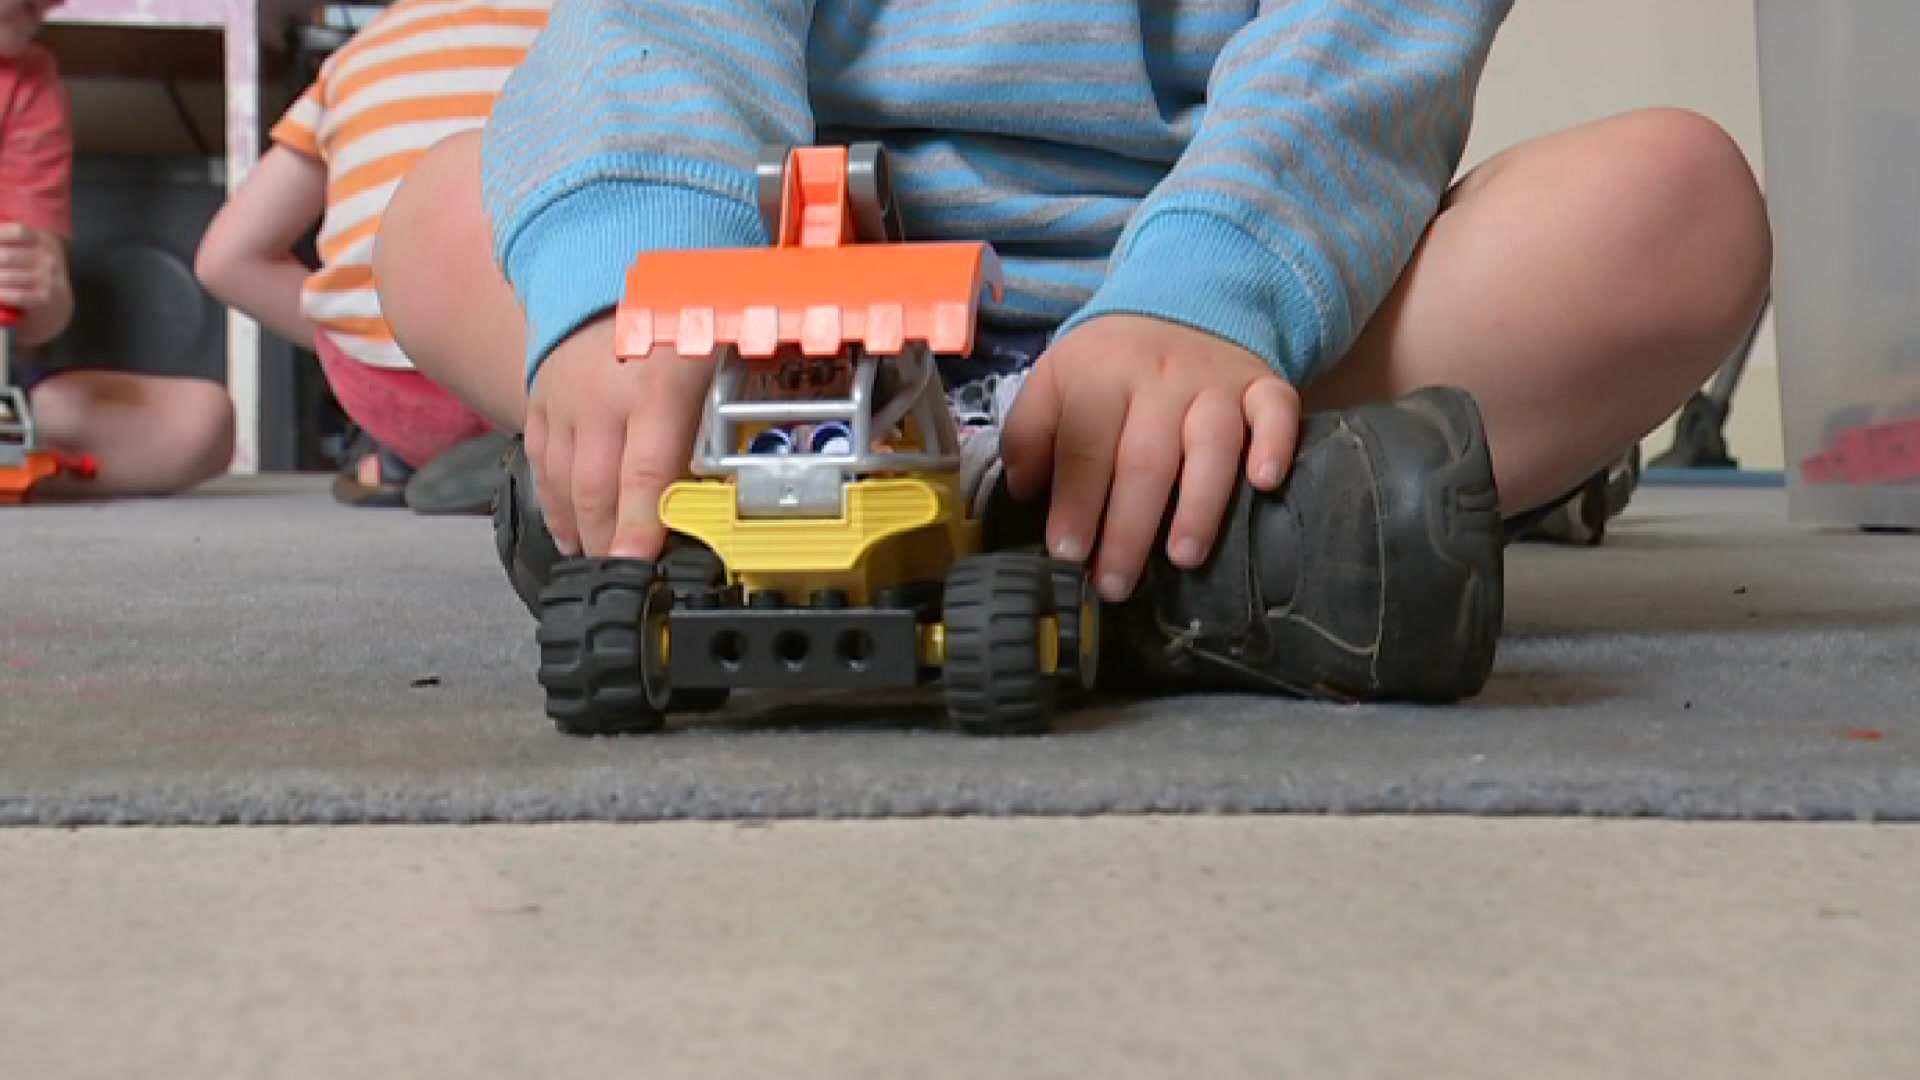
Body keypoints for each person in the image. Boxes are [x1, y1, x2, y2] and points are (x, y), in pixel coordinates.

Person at [371, 0, 1773, 704]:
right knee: (431, 218)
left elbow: (1363, 59)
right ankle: (1212, 544)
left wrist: (1209, 290)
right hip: (804, 324)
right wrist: (642, 282)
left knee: (1674, 208)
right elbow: (658, 32)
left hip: (1224, 303)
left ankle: (1170, 477)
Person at [194, 0, 549, 513]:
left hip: (391, 391)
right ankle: (548, 448)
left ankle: (403, 458)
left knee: (363, 296)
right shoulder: (586, 31)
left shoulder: (353, 57)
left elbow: (223, 261)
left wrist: (356, 329)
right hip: (540, 375)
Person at [2, 0, 234, 499]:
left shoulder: (28, 78)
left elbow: (43, 319)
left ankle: (18, 459)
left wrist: (38, 289)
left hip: (12, 393)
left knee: (201, 422)